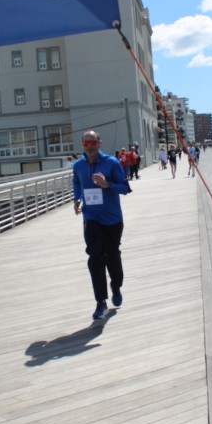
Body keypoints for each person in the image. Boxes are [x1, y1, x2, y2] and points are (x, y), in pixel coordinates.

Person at [72, 130, 132, 321]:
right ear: (82, 144)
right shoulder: (78, 165)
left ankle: (116, 285)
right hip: (91, 218)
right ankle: (101, 302)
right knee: (95, 257)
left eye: (93, 142)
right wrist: (77, 198)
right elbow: (76, 181)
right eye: (86, 143)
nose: (89, 146)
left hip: (112, 219)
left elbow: (125, 188)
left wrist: (107, 185)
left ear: (100, 143)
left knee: (112, 256)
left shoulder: (111, 163)